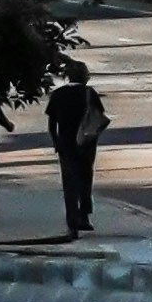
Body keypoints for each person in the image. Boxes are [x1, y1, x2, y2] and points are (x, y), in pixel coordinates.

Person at [45, 53, 104, 240]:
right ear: (84, 77)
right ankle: (84, 215)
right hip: (86, 144)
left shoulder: (58, 95)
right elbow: (98, 117)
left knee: (69, 184)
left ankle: (72, 224)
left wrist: (56, 142)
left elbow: (51, 123)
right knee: (85, 179)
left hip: (65, 145)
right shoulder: (89, 94)